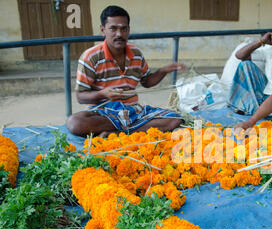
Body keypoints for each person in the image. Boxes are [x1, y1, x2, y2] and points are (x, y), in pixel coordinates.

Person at [66, 6, 186, 138]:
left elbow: (147, 82)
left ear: (128, 30)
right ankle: (132, 130)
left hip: (133, 112)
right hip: (104, 113)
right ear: (102, 30)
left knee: (175, 119)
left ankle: (117, 134)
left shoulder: (136, 54)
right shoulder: (90, 57)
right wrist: (102, 94)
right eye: (113, 28)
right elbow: (80, 96)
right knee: (74, 122)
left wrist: (163, 70)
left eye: (123, 29)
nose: (119, 34)